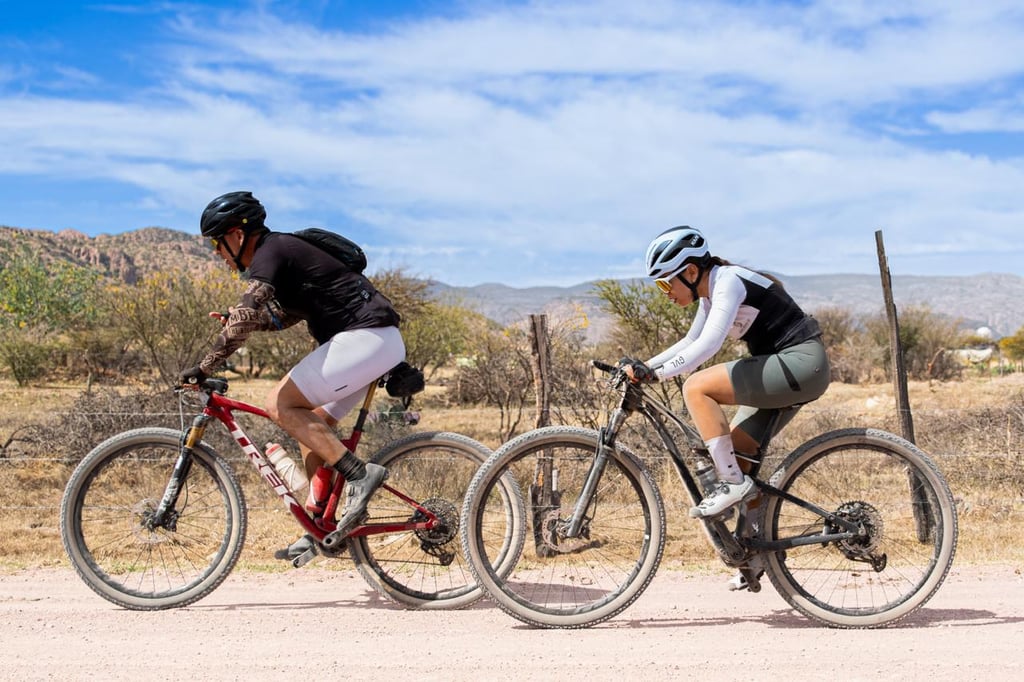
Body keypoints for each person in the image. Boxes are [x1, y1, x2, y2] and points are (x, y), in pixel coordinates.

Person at [180, 191, 405, 560]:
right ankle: (321, 523)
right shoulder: (283, 256)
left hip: (367, 338)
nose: (217, 254)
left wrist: (206, 364)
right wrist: (236, 321)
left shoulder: (272, 250)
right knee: (310, 423)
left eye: (218, 244)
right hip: (373, 340)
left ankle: (360, 475)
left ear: (237, 235)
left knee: (280, 404)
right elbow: (280, 316)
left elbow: (251, 305)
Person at [624, 226, 830, 586]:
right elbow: (690, 340)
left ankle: (730, 484)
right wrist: (645, 367)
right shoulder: (708, 293)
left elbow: (707, 347)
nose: (665, 293)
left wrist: (657, 375)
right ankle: (755, 555)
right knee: (739, 454)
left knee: (697, 387)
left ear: (690, 272)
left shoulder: (728, 281)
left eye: (664, 283)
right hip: (788, 369)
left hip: (799, 363)